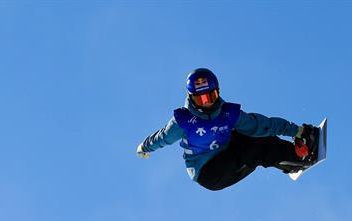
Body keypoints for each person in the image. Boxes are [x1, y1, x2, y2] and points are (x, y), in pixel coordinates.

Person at [136, 68, 321, 191]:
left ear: (218, 92)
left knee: (254, 134)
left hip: (225, 152)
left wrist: (296, 131)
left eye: (212, 96)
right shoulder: (184, 121)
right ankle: (295, 160)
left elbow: (261, 125)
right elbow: (162, 137)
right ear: (191, 98)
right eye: (201, 99)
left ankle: (293, 153)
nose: (207, 103)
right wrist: (144, 147)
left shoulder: (228, 114)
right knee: (252, 149)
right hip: (209, 172)